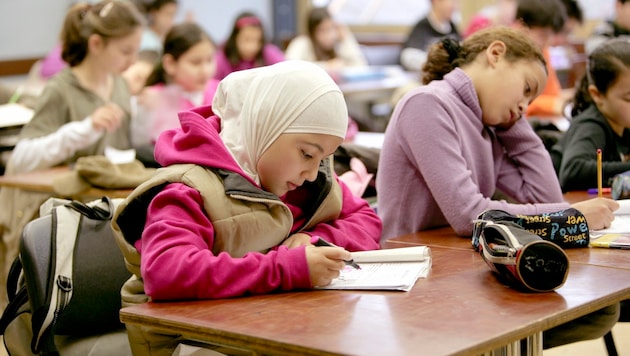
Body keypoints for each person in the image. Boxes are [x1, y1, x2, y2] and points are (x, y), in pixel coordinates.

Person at [111, 60, 382, 354]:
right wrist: (289, 268)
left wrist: (313, 239)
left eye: (323, 158)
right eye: (306, 154)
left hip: (278, 329)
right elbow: (167, 273)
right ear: (265, 125)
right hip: (194, 342)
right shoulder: (188, 189)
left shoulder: (303, 182)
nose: (314, 173)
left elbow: (365, 217)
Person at [376, 25, 619, 350]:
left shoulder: (489, 127)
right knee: (579, 312)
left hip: (464, 267)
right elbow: (468, 215)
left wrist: (516, 125)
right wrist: (570, 215)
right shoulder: (428, 104)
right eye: (526, 89)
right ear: (495, 54)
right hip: (416, 276)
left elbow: (545, 198)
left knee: (598, 312)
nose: (525, 106)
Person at [0, 0, 145, 311]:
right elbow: (21, 159)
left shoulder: (119, 86)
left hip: (105, 212)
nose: (133, 61)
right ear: (96, 44)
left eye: (136, 51)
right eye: (125, 51)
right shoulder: (61, 89)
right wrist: (83, 129)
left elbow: (121, 155)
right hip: (58, 217)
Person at [131, 22, 218, 167]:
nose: (205, 70)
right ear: (170, 64)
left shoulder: (221, 91)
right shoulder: (153, 98)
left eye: (209, 60)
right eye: (196, 63)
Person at [551, 39, 630, 191]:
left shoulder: (624, 123)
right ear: (597, 95)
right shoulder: (591, 125)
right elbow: (573, 171)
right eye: (629, 98)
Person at [509, 0, 573, 119]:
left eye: (551, 36)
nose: (548, 42)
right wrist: (551, 105)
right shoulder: (506, 55)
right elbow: (513, 104)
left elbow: (553, 94)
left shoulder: (542, 50)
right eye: (543, 35)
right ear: (519, 26)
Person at [284, 6, 367, 72]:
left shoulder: (338, 44)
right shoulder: (302, 43)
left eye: (331, 29)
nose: (329, 35)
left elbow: (361, 67)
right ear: (312, 32)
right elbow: (290, 68)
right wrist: (327, 66)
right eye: (322, 30)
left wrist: (346, 39)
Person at [213, 11, 285, 81]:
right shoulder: (222, 56)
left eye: (258, 40)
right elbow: (211, 85)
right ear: (235, 38)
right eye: (247, 40)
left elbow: (286, 71)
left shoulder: (267, 52)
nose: (252, 47)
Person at [399, 0, 461, 72]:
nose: (455, 7)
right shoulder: (422, 27)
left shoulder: (452, 27)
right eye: (452, 2)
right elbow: (408, 56)